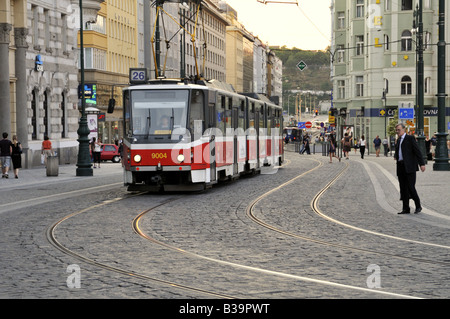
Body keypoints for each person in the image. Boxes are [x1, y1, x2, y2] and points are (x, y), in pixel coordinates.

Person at [394, 123, 426, 214]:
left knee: (411, 187)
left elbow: (417, 151)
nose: (397, 132)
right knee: (403, 188)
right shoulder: (398, 140)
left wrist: (422, 164)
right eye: (396, 130)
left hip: (409, 167)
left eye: (399, 130)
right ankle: (405, 208)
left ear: (404, 130)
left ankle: (418, 206)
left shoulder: (410, 138)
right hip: (400, 166)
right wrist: (396, 155)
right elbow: (399, 151)